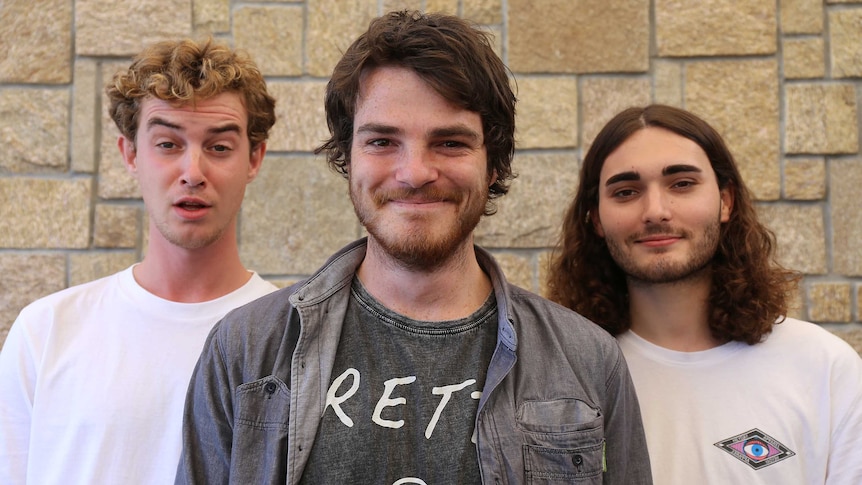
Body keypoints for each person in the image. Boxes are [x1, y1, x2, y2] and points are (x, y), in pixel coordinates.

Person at [176, 10, 651, 484]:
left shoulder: (588, 361)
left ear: (494, 165)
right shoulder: (244, 350)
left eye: (449, 143)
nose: (415, 172)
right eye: (383, 141)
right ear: (348, 158)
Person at [0, 38, 278, 484]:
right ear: (130, 154)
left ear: (254, 158)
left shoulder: (292, 339)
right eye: (167, 144)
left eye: (219, 147)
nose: (193, 171)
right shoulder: (46, 332)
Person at [547, 104, 862, 484]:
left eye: (681, 183)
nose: (656, 211)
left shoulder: (823, 368)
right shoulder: (561, 374)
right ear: (596, 218)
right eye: (626, 191)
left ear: (725, 201)